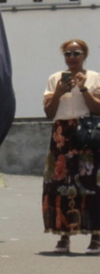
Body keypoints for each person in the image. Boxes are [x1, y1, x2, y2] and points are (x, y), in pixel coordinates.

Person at [42, 38, 100, 254]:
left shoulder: (95, 78)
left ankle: (96, 236)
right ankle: (63, 237)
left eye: (76, 53)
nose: (72, 58)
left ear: (85, 55)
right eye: (68, 53)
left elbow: (98, 109)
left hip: (87, 133)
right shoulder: (55, 79)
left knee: (91, 185)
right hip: (61, 136)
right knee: (60, 186)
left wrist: (84, 89)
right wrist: (58, 92)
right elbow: (49, 112)